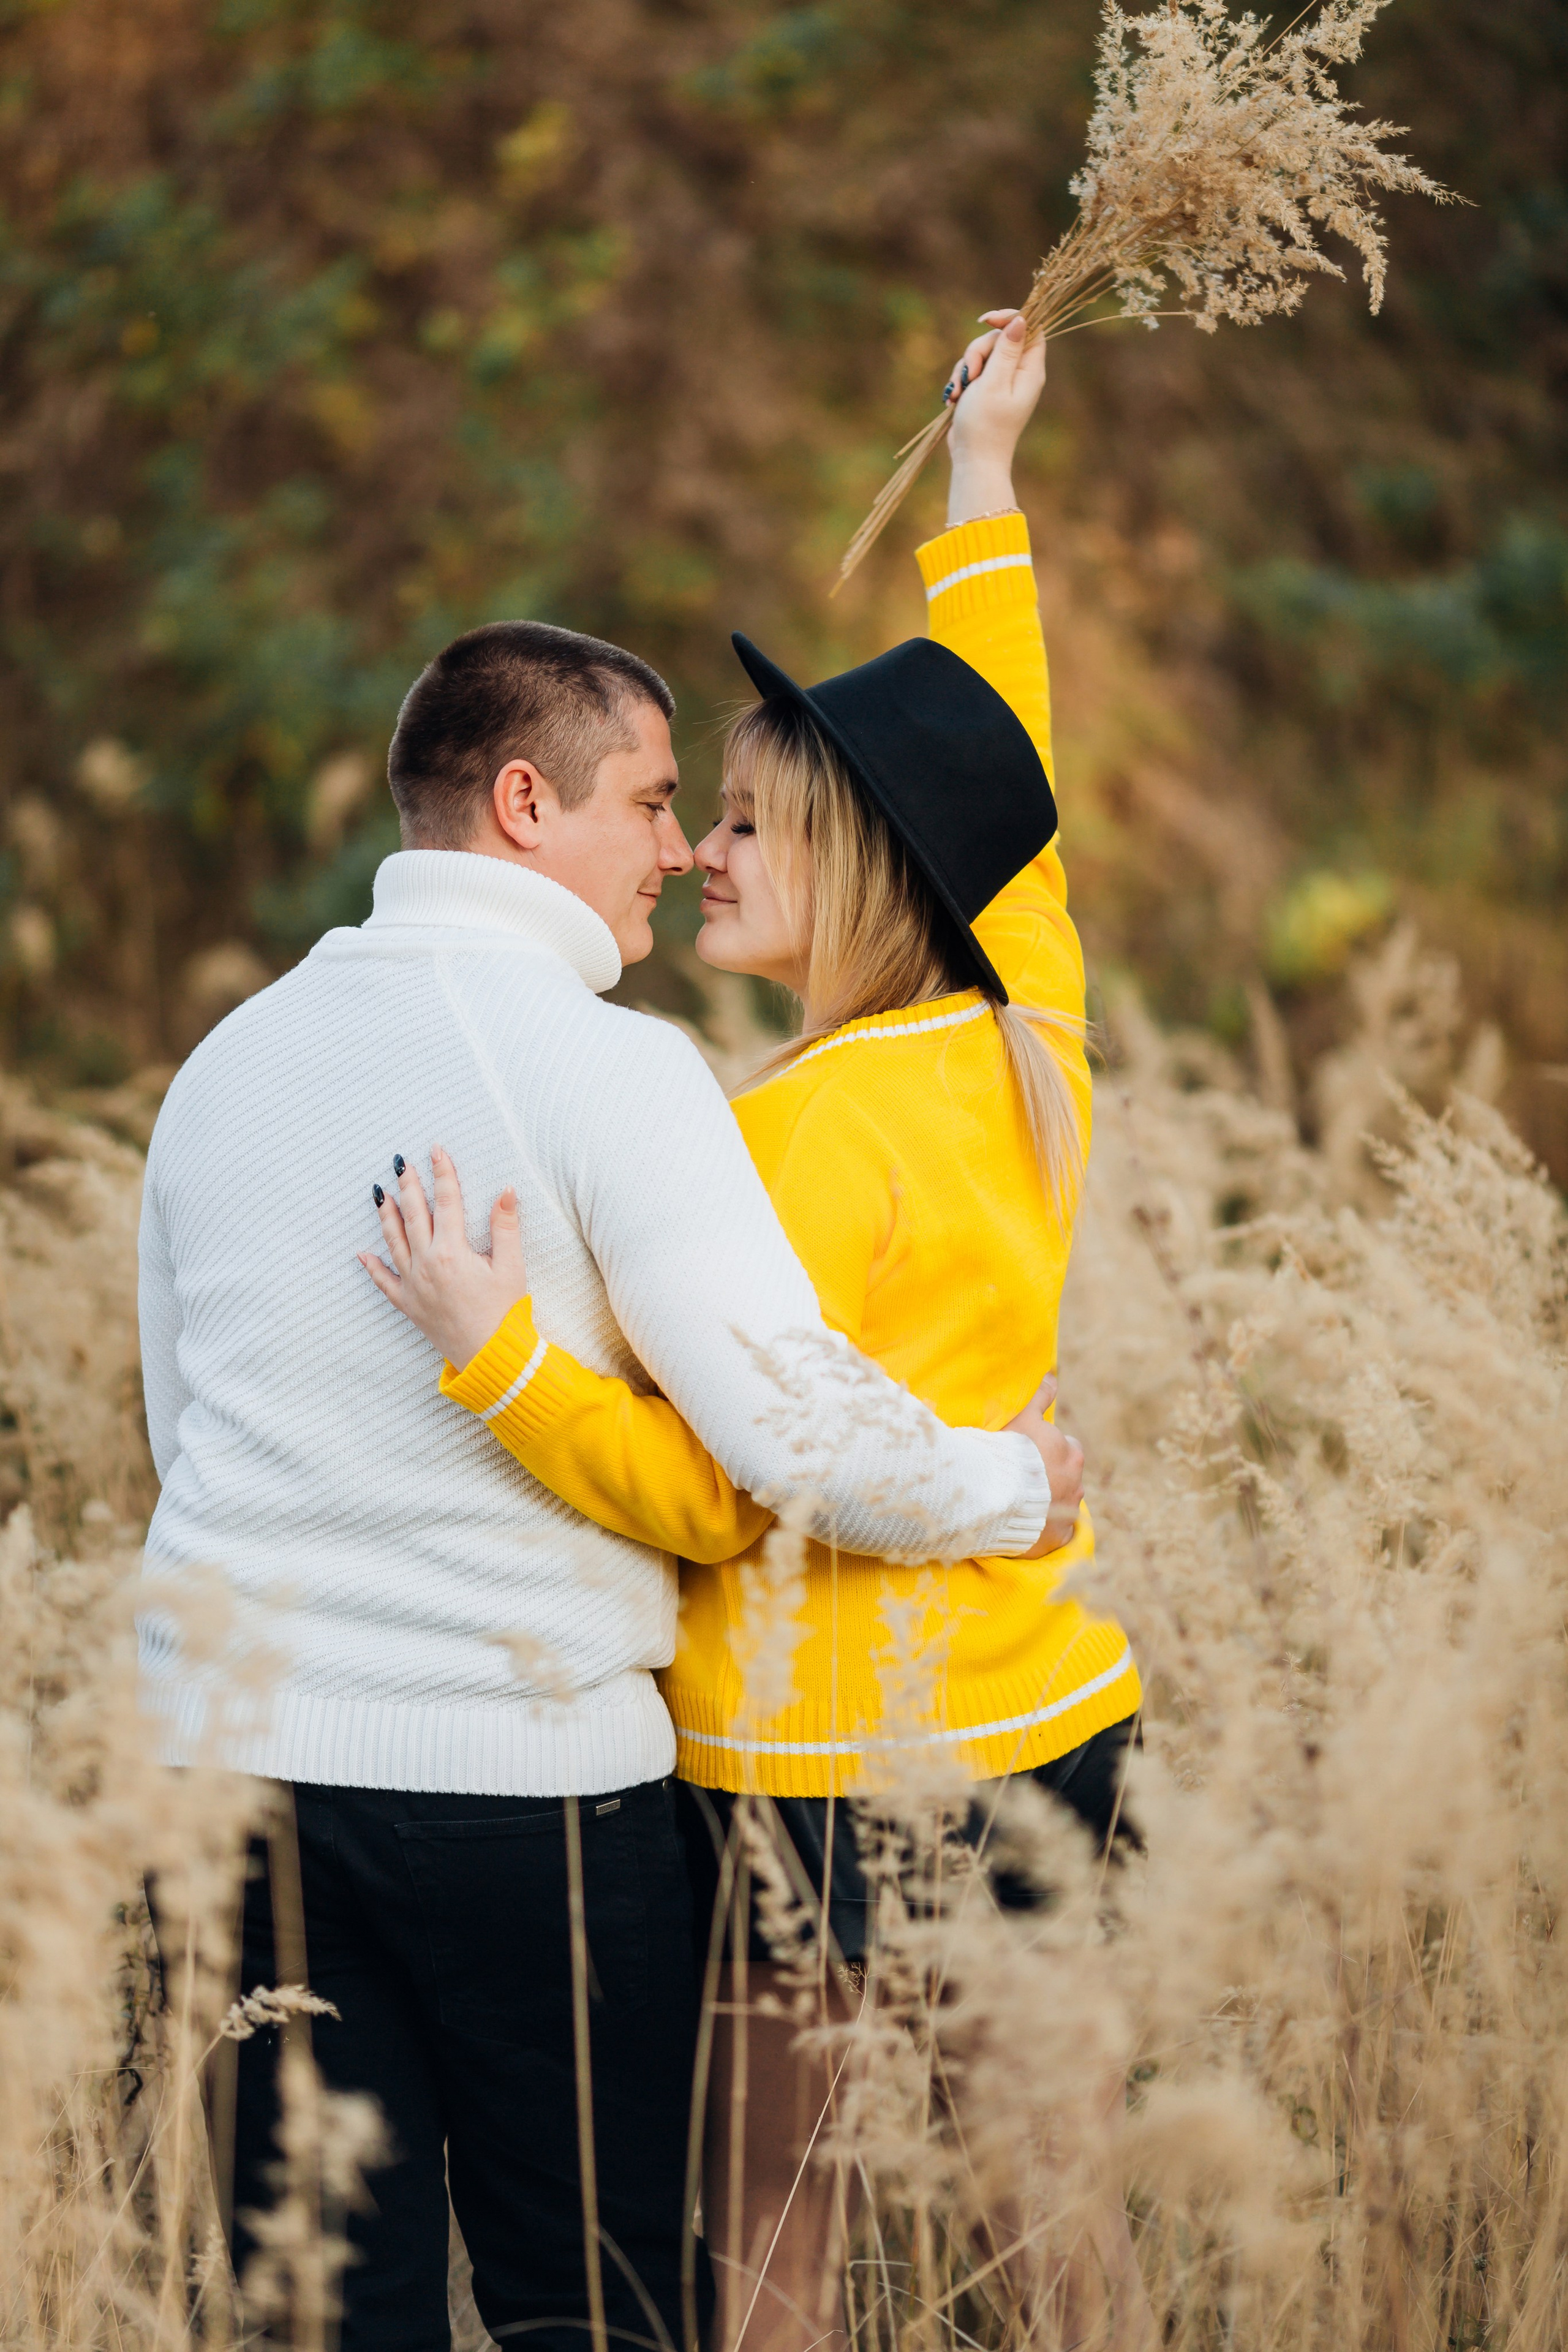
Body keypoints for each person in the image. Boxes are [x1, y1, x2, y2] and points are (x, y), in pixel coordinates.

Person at [135, 377, 1078, 2349]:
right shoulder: (612, 1071)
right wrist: (1011, 1484)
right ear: (524, 807)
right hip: (527, 1794)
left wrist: (987, 483)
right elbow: (790, 1435)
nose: (676, 851)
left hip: (226, 1788)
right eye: (659, 804)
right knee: (605, 2306)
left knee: (325, 2309)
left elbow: (181, 1414)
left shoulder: (223, 1067)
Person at [359, 311, 1147, 2352]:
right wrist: (984, 486)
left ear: (860, 866)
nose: (703, 847)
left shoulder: (779, 1139)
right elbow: (1014, 784)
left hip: (814, 1761)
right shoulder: (1033, 1046)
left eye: (750, 827)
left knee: (768, 2257)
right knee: (1065, 2242)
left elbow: (717, 1491)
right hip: (1049, 1719)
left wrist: (497, 1358)